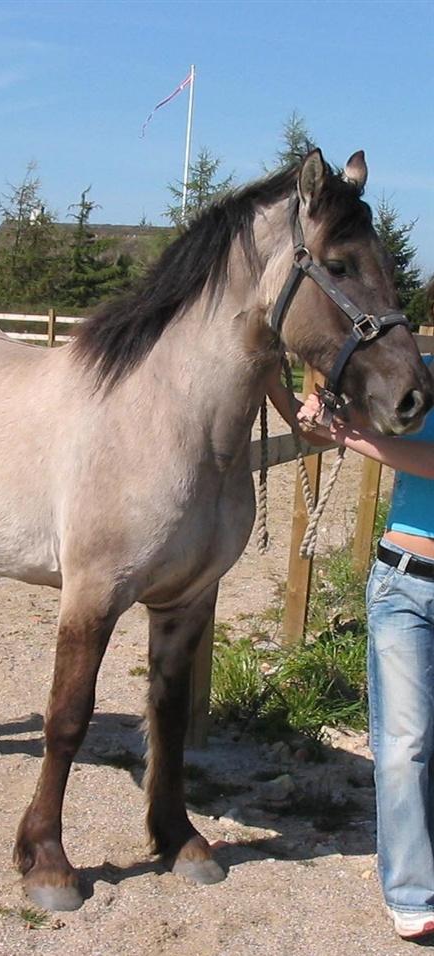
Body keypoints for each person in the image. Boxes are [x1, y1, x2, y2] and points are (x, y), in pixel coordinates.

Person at [269, 347, 434, 941]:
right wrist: (305, 404)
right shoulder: (408, 371)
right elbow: (321, 414)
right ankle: (414, 894)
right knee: (404, 743)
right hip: (404, 583)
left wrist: (350, 437)